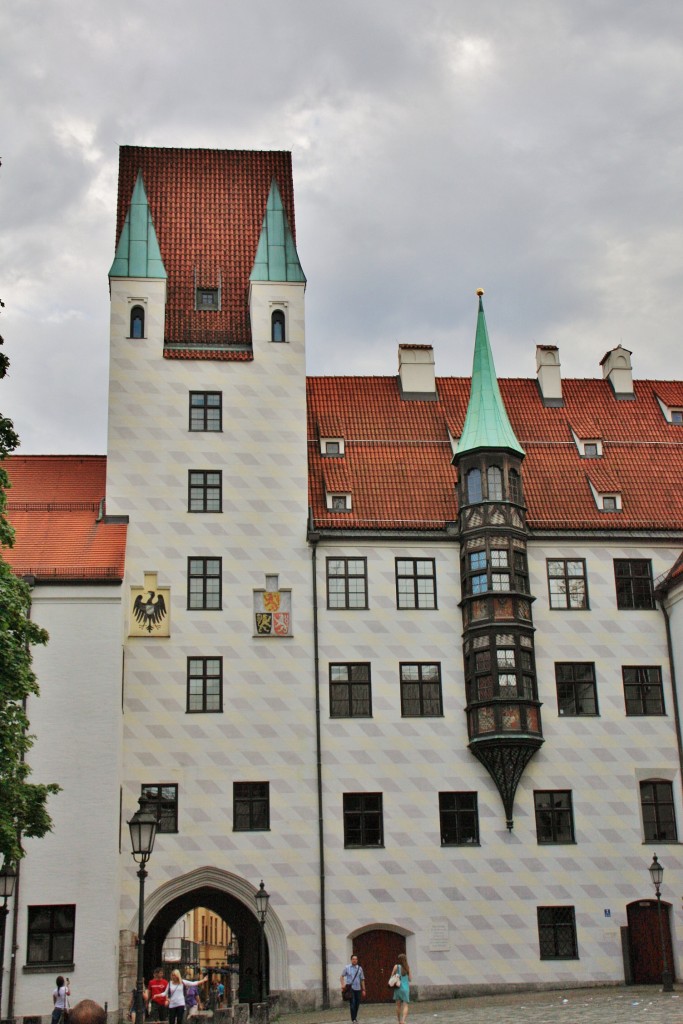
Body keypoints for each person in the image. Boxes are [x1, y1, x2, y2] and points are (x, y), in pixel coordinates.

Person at [340, 954, 365, 1024]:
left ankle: (355, 1017)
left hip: (358, 988)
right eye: (353, 959)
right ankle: (353, 1019)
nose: (354, 960)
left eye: (356, 959)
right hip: (351, 989)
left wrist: (363, 989)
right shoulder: (347, 968)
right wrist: (343, 985)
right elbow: (341, 977)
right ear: (351, 960)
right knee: (352, 1003)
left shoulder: (360, 968)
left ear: (357, 960)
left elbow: (362, 979)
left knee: (357, 1004)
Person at [390, 953, 411, 1024]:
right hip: (406, 988)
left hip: (398, 988)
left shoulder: (396, 966)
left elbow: (391, 976)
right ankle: (403, 1020)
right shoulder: (407, 967)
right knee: (405, 1005)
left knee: (398, 1005)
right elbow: (410, 979)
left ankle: (399, 1020)